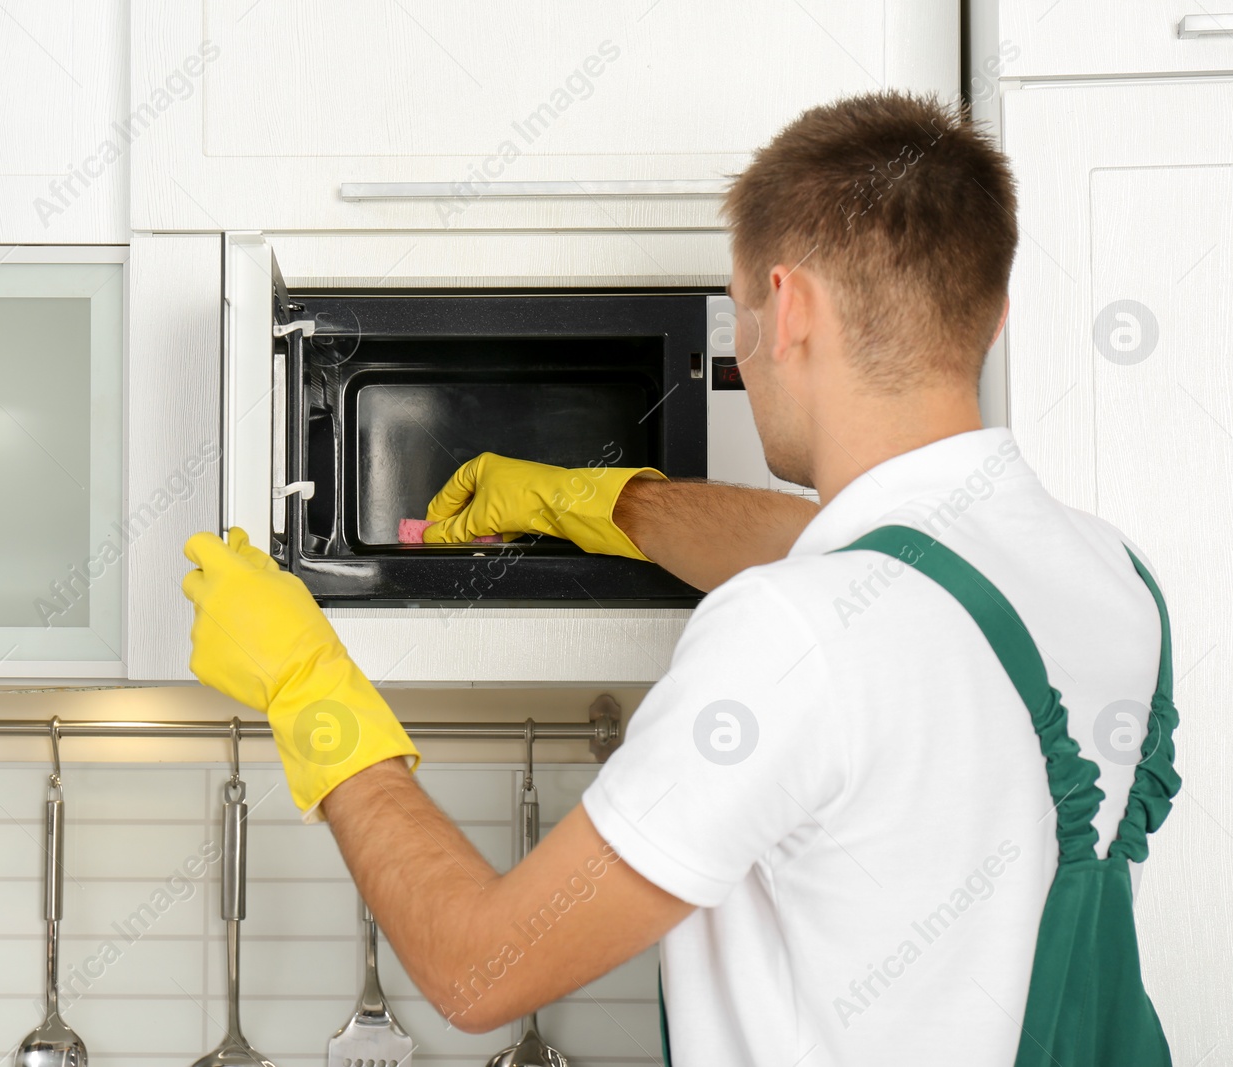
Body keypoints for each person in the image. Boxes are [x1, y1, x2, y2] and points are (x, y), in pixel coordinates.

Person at [181, 91, 1180, 1066]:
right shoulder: (1108, 578)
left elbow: (476, 968)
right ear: (993, 313)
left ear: (785, 308)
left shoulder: (793, 630)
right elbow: (870, 564)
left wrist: (309, 684)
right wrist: (583, 501)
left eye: (741, 308)